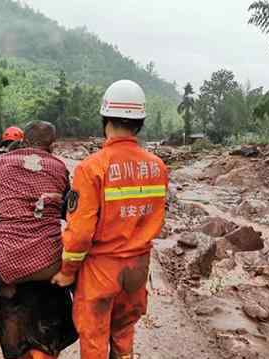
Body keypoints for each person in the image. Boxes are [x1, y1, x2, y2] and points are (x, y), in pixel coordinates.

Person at [51, 80, 169, 359]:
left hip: (101, 272)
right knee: (124, 334)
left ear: (105, 118)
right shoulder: (157, 166)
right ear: (139, 122)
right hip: (137, 269)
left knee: (94, 340)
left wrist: (67, 271)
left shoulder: (91, 168)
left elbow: (79, 234)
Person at [0, 121, 76, 359]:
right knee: (81, 275)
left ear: (20, 142)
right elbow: (71, 213)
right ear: (51, 146)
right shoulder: (59, 168)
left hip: (4, 263)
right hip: (50, 262)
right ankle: (93, 324)